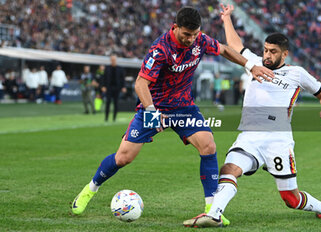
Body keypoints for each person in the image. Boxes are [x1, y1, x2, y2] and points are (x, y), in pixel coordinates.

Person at [71, 7, 274, 226]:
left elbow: (224, 49)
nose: (191, 39)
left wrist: (250, 65)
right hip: (154, 108)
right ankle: (89, 190)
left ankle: (211, 209)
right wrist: (151, 113)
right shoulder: (161, 49)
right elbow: (141, 83)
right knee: (123, 158)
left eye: (194, 34)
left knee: (208, 146)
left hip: (184, 108)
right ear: (175, 27)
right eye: (186, 34)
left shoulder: (200, 41)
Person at [183, 4, 321, 228]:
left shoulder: (297, 73)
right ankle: (215, 214)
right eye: (265, 50)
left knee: (290, 199)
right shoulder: (254, 64)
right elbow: (235, 46)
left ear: (284, 53)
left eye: (273, 51)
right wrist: (227, 18)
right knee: (229, 169)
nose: (267, 55)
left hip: (278, 139)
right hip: (250, 136)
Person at [102, 55, 126, 121]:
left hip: (117, 88)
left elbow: (122, 79)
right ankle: (106, 118)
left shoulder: (120, 69)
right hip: (109, 88)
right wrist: (103, 86)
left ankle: (114, 118)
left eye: (114, 60)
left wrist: (123, 87)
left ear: (116, 60)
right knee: (108, 103)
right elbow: (104, 78)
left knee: (116, 103)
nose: (113, 61)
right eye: (112, 60)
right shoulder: (107, 68)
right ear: (110, 60)